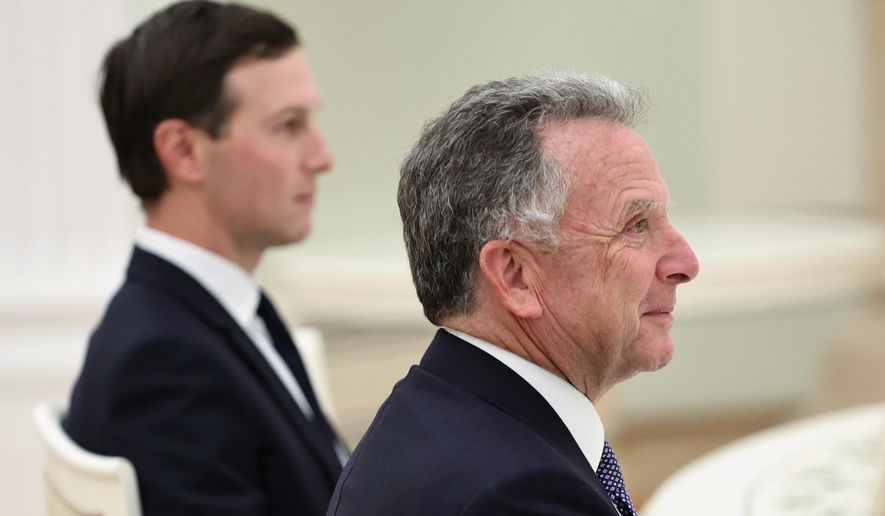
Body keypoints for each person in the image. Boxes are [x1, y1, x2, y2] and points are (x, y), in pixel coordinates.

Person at [327, 73, 700, 515]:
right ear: (515, 276)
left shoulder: (438, 417)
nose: (685, 263)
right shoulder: (520, 494)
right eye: (635, 225)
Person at [64, 2, 347, 515]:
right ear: (184, 151)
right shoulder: (165, 366)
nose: (322, 156)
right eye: (288, 126)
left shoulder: (209, 314)